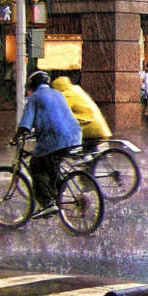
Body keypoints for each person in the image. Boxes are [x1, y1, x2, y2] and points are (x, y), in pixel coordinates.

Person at [15, 70, 82, 219]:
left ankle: (47, 203)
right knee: (52, 165)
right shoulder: (58, 94)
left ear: (33, 84)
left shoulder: (35, 97)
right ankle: (57, 192)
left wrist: (17, 136)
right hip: (74, 135)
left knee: (36, 166)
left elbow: (26, 122)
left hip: (54, 137)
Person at [51, 75, 111, 152]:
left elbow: (61, 111)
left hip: (90, 127)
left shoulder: (67, 95)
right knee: (87, 150)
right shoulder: (76, 89)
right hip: (99, 125)